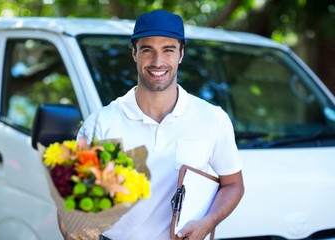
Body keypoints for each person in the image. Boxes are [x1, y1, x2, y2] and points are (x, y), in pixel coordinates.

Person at [77, 9, 244, 240]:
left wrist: (208, 222)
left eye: (168, 50)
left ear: (181, 54)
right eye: (147, 50)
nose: (158, 62)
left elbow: (233, 184)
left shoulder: (212, 119)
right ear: (134, 53)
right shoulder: (101, 124)